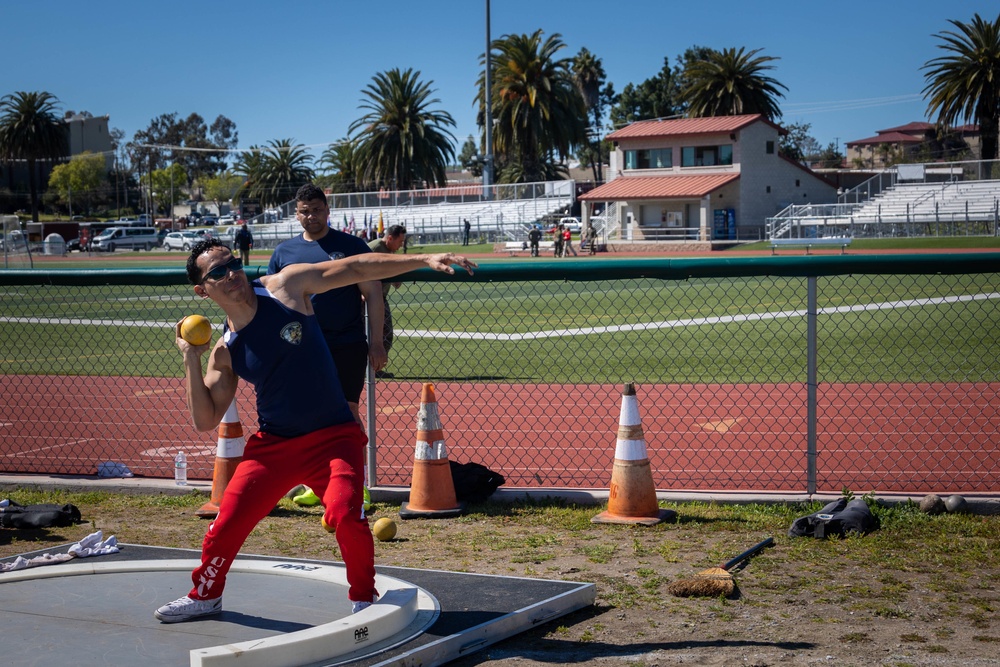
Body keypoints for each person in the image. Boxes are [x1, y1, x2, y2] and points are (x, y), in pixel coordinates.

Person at [153, 238, 475, 623]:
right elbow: (206, 419)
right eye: (217, 273)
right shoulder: (226, 349)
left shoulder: (286, 287)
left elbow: (355, 269)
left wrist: (424, 257)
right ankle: (205, 596)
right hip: (275, 446)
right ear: (202, 290)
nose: (231, 274)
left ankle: (363, 601)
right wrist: (191, 358)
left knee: (345, 514)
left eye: (233, 264)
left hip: (334, 436)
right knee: (226, 522)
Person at [268, 184, 386, 423]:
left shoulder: (352, 247)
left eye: (317, 209)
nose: (311, 216)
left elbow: (373, 294)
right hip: (301, 347)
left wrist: (376, 343)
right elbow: (272, 304)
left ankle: (356, 462)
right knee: (303, 414)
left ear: (327, 210)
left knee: (347, 412)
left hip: (346, 343)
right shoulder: (283, 252)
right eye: (305, 211)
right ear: (297, 214)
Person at [368, 225, 407, 361]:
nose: (401, 245)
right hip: (367, 297)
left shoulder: (389, 251)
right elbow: (359, 268)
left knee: (385, 334)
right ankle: (370, 368)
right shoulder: (375, 248)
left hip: (380, 297)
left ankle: (374, 368)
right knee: (372, 334)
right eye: (400, 241)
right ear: (390, 238)